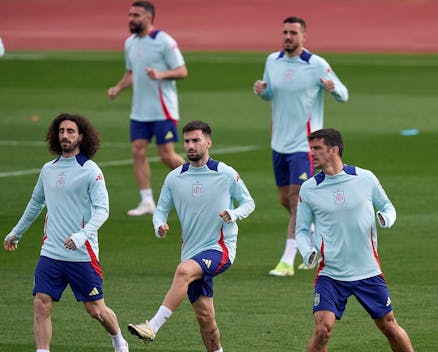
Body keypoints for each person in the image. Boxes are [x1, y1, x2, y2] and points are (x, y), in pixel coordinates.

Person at [3, 113, 129, 352]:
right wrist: (16, 232)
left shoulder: (91, 171)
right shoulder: (48, 170)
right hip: (51, 252)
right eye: (61, 131)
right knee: (41, 304)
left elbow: (103, 211)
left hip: (82, 255)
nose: (65, 136)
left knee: (96, 310)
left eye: (70, 131)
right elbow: (35, 203)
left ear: (81, 136)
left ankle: (118, 341)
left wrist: (81, 236)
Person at [127, 120, 255, 351]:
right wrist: (160, 226)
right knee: (206, 319)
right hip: (191, 252)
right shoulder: (175, 177)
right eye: (186, 141)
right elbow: (161, 210)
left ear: (208, 142)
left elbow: (249, 202)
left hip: (220, 249)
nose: (190, 145)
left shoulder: (225, 173)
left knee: (183, 271)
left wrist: (233, 213)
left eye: (196, 140)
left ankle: (152, 326)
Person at [295, 129, 414, 352]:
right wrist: (306, 250)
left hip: (367, 270)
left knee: (389, 327)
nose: (311, 153)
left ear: (334, 150)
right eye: (310, 148)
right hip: (331, 273)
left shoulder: (364, 178)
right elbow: (301, 230)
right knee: (322, 329)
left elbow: (387, 206)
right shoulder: (309, 188)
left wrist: (386, 219)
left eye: (317, 148)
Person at [253, 16, 349, 276]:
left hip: (305, 145)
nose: (287, 36)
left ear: (303, 36)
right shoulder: (272, 61)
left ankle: (289, 259)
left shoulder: (316, 64)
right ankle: (315, 235)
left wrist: (333, 89)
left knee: (297, 198)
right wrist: (262, 91)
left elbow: (343, 93)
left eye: (293, 33)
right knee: (286, 199)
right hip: (279, 144)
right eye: (284, 32)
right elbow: (272, 92)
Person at [108, 0, 187, 216]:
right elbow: (131, 72)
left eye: (136, 15)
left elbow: (182, 71)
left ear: (148, 17)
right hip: (139, 111)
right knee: (138, 151)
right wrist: (118, 87)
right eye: (130, 15)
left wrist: (161, 74)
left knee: (166, 155)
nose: (131, 19)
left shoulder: (164, 41)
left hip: (163, 110)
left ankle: (197, 182)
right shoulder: (130, 43)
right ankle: (146, 201)